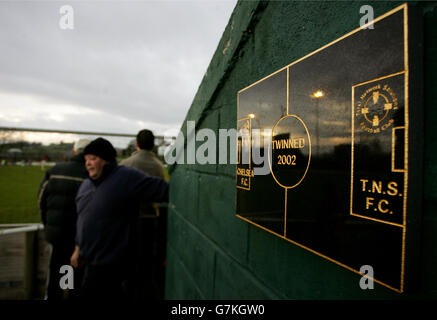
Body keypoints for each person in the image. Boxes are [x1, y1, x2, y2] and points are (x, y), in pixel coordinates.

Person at [70, 137, 168, 300]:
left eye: (93, 159)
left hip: (113, 262)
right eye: (86, 159)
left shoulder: (125, 177)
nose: (88, 163)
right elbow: (82, 220)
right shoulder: (85, 186)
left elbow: (165, 190)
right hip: (88, 260)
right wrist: (78, 248)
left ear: (107, 160)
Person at [37, 138, 91, 300]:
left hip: (58, 235)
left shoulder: (55, 171)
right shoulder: (91, 175)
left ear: (74, 151)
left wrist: (48, 224)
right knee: (76, 276)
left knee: (58, 274)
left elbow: (41, 201)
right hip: (79, 238)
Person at [120, 129, 166, 299]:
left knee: (128, 263)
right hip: (150, 219)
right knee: (146, 263)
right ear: (153, 145)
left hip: (127, 220)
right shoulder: (158, 166)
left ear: (137, 144)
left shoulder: (125, 164)